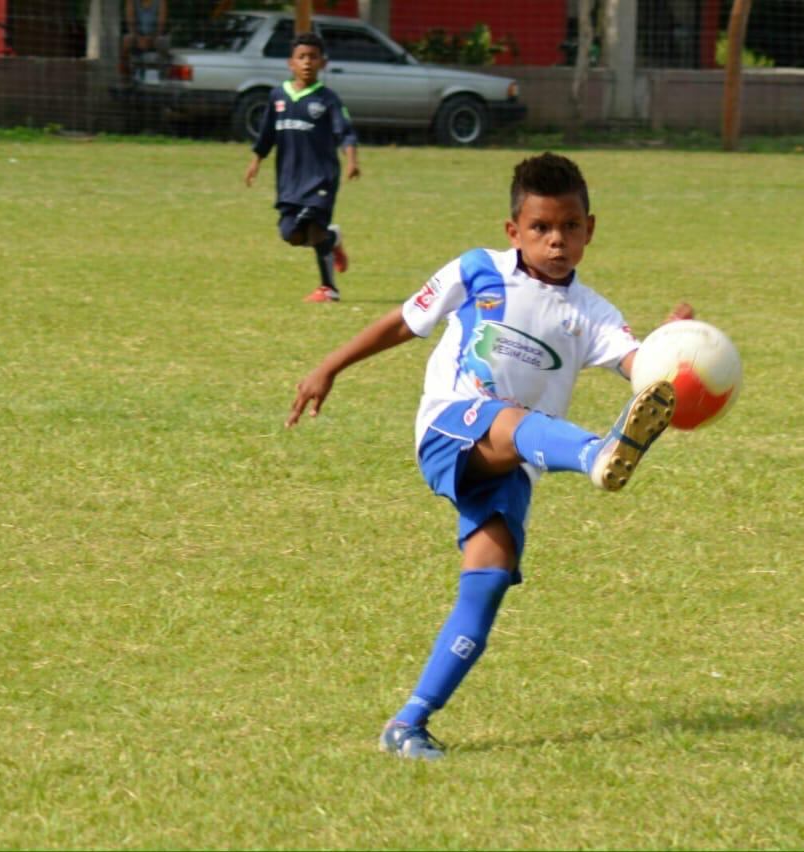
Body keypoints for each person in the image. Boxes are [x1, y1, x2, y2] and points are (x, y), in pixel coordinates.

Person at [286, 153, 691, 760]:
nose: (557, 241)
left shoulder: (592, 314)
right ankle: (595, 453)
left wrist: (674, 352)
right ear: (514, 231)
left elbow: (644, 377)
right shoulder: (478, 271)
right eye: (541, 229)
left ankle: (408, 723)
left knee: (489, 581)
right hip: (453, 428)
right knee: (508, 417)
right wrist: (329, 366)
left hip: (514, 462)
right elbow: (403, 322)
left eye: (571, 227)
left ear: (591, 228)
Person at [244, 32, 359, 303]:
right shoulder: (277, 96)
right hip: (289, 181)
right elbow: (266, 135)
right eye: (301, 57)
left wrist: (352, 160)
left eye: (313, 57)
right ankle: (332, 239)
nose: (307, 62)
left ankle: (328, 288)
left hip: (321, 178)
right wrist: (255, 162)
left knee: (311, 222)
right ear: (290, 63)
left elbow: (345, 132)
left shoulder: (327, 99)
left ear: (323, 63)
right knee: (292, 235)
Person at [121, 0, 168, 79]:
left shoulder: (161, 2)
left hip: (154, 37)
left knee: (161, 41)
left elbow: (161, 26)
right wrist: (138, 38)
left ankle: (163, 73)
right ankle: (126, 77)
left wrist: (151, 38)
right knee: (126, 41)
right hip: (137, 37)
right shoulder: (131, 2)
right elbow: (130, 24)